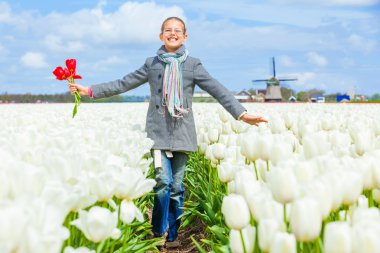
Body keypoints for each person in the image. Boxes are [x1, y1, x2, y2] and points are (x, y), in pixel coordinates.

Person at [68, 16, 268, 248]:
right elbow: (124, 83)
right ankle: (157, 232)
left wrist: (242, 114)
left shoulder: (193, 65)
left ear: (185, 36)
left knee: (176, 187)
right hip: (158, 133)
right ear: (161, 35)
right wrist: (90, 90)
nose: (172, 33)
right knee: (163, 181)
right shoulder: (152, 64)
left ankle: (173, 237)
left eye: (177, 30)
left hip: (183, 133)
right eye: (168, 30)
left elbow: (217, 89)